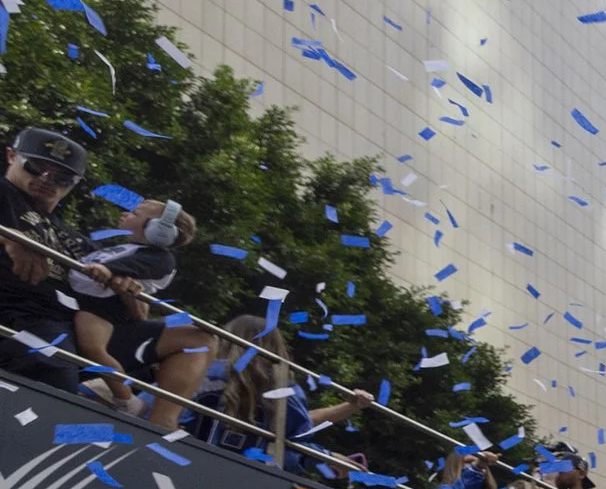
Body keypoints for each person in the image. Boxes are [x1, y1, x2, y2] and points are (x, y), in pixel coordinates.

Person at [65, 197, 215, 429]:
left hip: (103, 310)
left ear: (158, 230)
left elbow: (138, 267)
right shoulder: (123, 246)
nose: (125, 214)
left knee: (92, 347)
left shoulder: (161, 258)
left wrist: (112, 271)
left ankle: (125, 399)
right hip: (81, 304)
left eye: (135, 213)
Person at [202, 314, 373, 468]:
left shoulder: (205, 373)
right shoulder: (285, 391)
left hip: (192, 460)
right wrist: (327, 457)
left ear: (228, 339)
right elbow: (297, 432)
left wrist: (349, 407)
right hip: (251, 480)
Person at [0, 127, 93, 391]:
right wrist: (11, 237)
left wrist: (127, 287)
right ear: (11, 156)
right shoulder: (4, 192)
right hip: (20, 317)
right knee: (55, 374)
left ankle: (157, 419)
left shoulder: (74, 238)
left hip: (75, 329)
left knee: (192, 337)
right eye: (34, 166)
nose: (46, 179)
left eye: (62, 178)